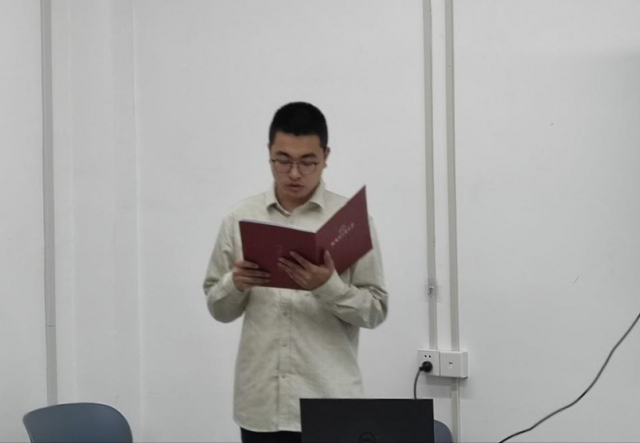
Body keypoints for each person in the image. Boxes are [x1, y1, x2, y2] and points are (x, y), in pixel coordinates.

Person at [203, 102, 388, 443]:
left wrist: (328, 287)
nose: (294, 174)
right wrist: (235, 284)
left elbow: (375, 310)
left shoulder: (349, 222)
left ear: (326, 156)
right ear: (269, 153)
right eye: (283, 160)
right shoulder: (240, 219)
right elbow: (218, 308)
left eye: (307, 162)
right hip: (261, 406)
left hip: (329, 402)